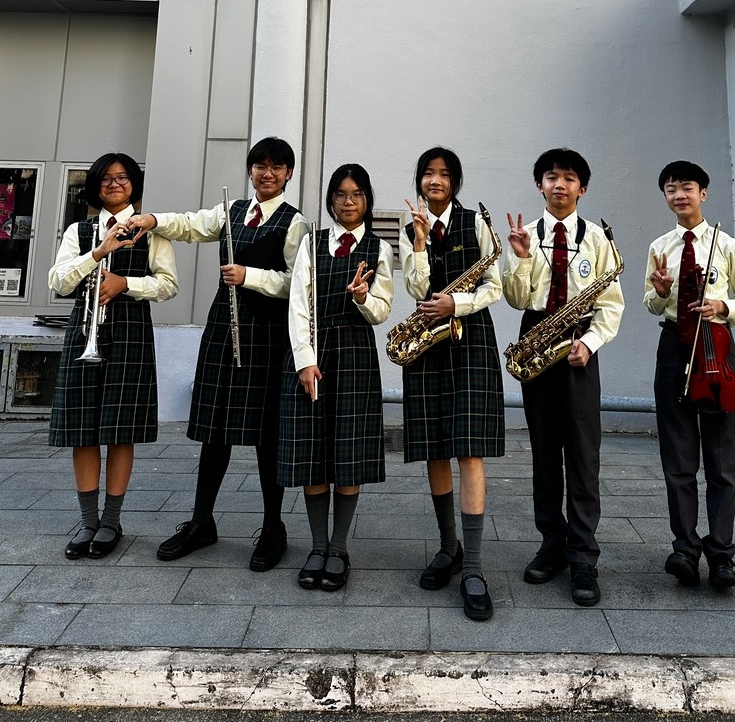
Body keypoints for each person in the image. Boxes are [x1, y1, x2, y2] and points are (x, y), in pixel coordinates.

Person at [127, 136, 307, 571]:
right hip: (223, 330)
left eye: (276, 167)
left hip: (267, 336)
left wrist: (250, 276)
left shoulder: (295, 223)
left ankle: (273, 528)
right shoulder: (231, 211)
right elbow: (190, 225)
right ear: (251, 170)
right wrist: (151, 219)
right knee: (214, 430)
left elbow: (297, 284)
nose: (267, 173)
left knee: (266, 434)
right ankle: (201, 522)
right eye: (260, 165)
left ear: (288, 173)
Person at [502, 148, 624, 607]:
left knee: (583, 454)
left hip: (578, 344)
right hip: (536, 338)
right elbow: (517, 299)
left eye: (569, 178)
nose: (559, 184)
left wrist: (589, 343)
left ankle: (583, 555)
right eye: (551, 177)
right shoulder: (525, 234)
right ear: (540, 185)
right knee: (544, 451)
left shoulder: (598, 239)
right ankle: (551, 541)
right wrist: (521, 258)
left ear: (582, 188)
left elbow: (610, 304)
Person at [49, 153, 177, 560]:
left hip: (130, 330)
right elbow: (58, 282)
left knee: (121, 428)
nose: (115, 184)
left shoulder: (151, 230)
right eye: (106, 178)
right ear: (95, 186)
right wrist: (98, 252)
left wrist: (126, 284)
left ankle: (111, 521)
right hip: (84, 330)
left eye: (122, 177)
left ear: (134, 184)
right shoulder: (80, 230)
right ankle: (88, 522)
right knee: (82, 428)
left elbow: (168, 285)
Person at [399, 146, 504, 622]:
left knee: (470, 451)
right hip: (428, 342)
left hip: (470, 339)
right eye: (428, 173)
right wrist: (421, 244)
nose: (435, 180)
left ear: (455, 182)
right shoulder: (410, 231)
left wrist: (456, 305)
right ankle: (448, 549)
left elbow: (494, 286)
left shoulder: (476, 223)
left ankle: (474, 567)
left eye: (444, 174)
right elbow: (415, 289)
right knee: (435, 448)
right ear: (420, 181)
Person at [645, 160, 735, 591]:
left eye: (687, 187)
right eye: (671, 189)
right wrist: (660, 294)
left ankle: (722, 555)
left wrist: (722, 306)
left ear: (703, 193)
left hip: (717, 351)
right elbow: (651, 303)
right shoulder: (660, 247)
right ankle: (685, 550)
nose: (679, 195)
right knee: (678, 459)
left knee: (723, 462)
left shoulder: (727, 246)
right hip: (675, 349)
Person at [278, 163, 393, 593]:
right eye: (341, 194)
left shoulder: (380, 249)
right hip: (314, 354)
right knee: (312, 450)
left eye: (357, 194)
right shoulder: (312, 242)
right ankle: (317, 546)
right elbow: (298, 305)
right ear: (331, 200)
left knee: (348, 451)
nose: (349, 202)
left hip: (355, 355)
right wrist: (304, 361)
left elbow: (382, 311)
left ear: (367, 200)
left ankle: (339, 549)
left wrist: (364, 298)